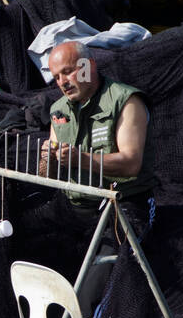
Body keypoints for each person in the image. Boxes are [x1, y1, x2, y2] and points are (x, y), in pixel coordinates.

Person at [39, 39, 154, 236]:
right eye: (56, 77)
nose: (62, 83)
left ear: (89, 65)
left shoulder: (125, 100)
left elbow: (131, 163)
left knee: (108, 259)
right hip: (76, 205)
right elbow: (47, 175)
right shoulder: (58, 109)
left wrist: (81, 159)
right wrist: (47, 158)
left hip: (122, 203)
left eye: (67, 72)